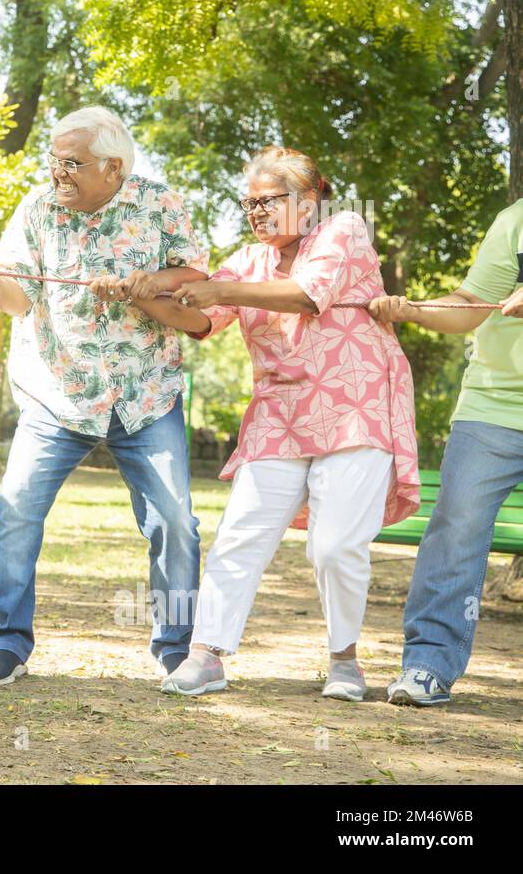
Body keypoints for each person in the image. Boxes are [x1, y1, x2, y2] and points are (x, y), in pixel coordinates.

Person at [0, 106, 211, 686]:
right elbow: (18, 300)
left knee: (174, 521)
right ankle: (6, 643)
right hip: (56, 392)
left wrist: (151, 286)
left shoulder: (160, 204)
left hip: (146, 394)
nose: (58, 174)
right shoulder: (37, 209)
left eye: (72, 164)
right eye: (54, 162)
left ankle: (175, 647)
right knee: (15, 513)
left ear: (113, 168)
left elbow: (198, 291)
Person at [162, 146, 420, 701]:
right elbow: (203, 320)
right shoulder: (247, 261)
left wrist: (217, 288)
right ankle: (206, 655)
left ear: (308, 202)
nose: (255, 212)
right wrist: (148, 298)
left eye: (267, 201)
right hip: (279, 414)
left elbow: (308, 295)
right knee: (240, 535)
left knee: (333, 547)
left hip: (356, 407)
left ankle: (345, 662)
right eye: (247, 203)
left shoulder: (343, 230)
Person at [369, 200, 523, 706]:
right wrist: (413, 310)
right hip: (495, 405)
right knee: (457, 525)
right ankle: (427, 664)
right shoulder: (516, 220)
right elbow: (470, 303)